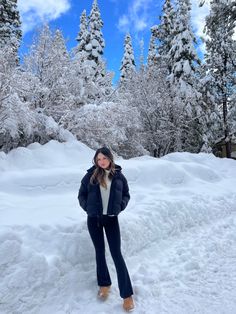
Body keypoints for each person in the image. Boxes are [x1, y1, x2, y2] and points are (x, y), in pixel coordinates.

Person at [78, 147, 134, 312]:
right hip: (94, 219)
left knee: (116, 254)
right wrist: (88, 208)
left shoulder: (118, 177)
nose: (101, 161)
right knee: (99, 251)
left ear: (110, 159)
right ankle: (104, 284)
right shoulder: (90, 176)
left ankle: (127, 295)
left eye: (104, 158)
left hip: (111, 220)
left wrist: (120, 206)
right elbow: (81, 195)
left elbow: (126, 194)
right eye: (98, 159)